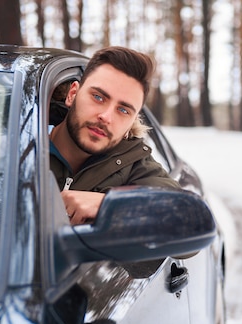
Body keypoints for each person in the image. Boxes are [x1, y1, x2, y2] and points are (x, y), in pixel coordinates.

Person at [48, 46, 180, 225]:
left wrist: (111, 204)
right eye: (98, 97)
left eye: (123, 110)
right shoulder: (15, 144)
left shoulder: (133, 165)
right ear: (72, 94)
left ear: (131, 123)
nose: (106, 117)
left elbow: (190, 220)